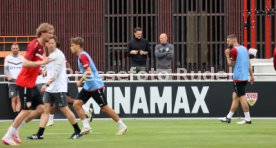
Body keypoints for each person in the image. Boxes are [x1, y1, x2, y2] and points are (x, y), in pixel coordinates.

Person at [2, 22, 53, 146]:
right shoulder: (34, 45)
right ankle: (7, 136)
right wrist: (41, 63)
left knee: (41, 108)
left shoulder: (41, 47)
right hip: (24, 82)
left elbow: (33, 64)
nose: (51, 35)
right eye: (50, 33)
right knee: (25, 110)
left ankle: (17, 129)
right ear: (42, 33)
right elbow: (24, 63)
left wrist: (40, 71)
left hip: (31, 83)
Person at [26, 36, 83, 140]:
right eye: (49, 43)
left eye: (53, 43)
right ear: (46, 44)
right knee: (46, 110)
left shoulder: (59, 55)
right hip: (50, 88)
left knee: (64, 109)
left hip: (58, 88)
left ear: (56, 44)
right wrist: (44, 72)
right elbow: (49, 70)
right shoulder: (51, 55)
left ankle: (78, 131)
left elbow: (56, 74)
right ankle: (40, 134)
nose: (50, 44)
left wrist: (46, 84)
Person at [70, 37, 128, 135]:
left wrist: (80, 81)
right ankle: (86, 126)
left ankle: (122, 125)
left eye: (72, 45)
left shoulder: (82, 56)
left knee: (105, 108)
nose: (70, 47)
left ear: (78, 46)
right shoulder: (82, 56)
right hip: (89, 87)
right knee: (76, 104)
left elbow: (88, 71)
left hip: (95, 86)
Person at [219, 34, 254, 124]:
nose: (227, 43)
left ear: (234, 41)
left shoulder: (234, 50)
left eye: (228, 41)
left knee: (242, 98)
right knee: (235, 96)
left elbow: (230, 64)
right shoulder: (244, 48)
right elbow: (249, 63)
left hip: (238, 78)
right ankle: (228, 117)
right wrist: (251, 75)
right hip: (245, 77)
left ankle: (248, 119)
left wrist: (227, 54)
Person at [4, 43, 24, 118]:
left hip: (20, 82)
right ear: (11, 49)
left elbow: (24, 70)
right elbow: (6, 70)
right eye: (14, 48)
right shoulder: (8, 58)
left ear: (18, 49)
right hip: (12, 82)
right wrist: (9, 76)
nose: (15, 50)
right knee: (14, 98)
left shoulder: (22, 58)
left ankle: (18, 116)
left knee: (19, 98)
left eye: (16, 48)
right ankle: (15, 116)